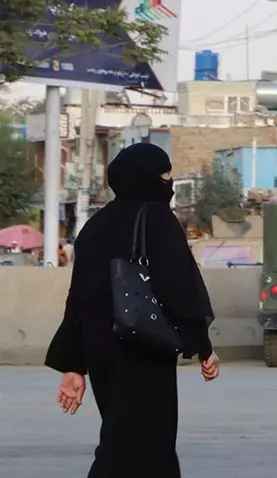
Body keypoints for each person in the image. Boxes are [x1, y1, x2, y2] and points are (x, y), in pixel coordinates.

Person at [44, 143, 221, 477]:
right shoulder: (157, 217)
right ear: (147, 178)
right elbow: (178, 286)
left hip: (101, 350)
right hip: (143, 346)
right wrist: (202, 344)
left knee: (132, 438)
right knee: (138, 444)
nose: (168, 182)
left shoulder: (94, 226)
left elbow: (80, 299)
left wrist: (74, 364)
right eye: (164, 175)